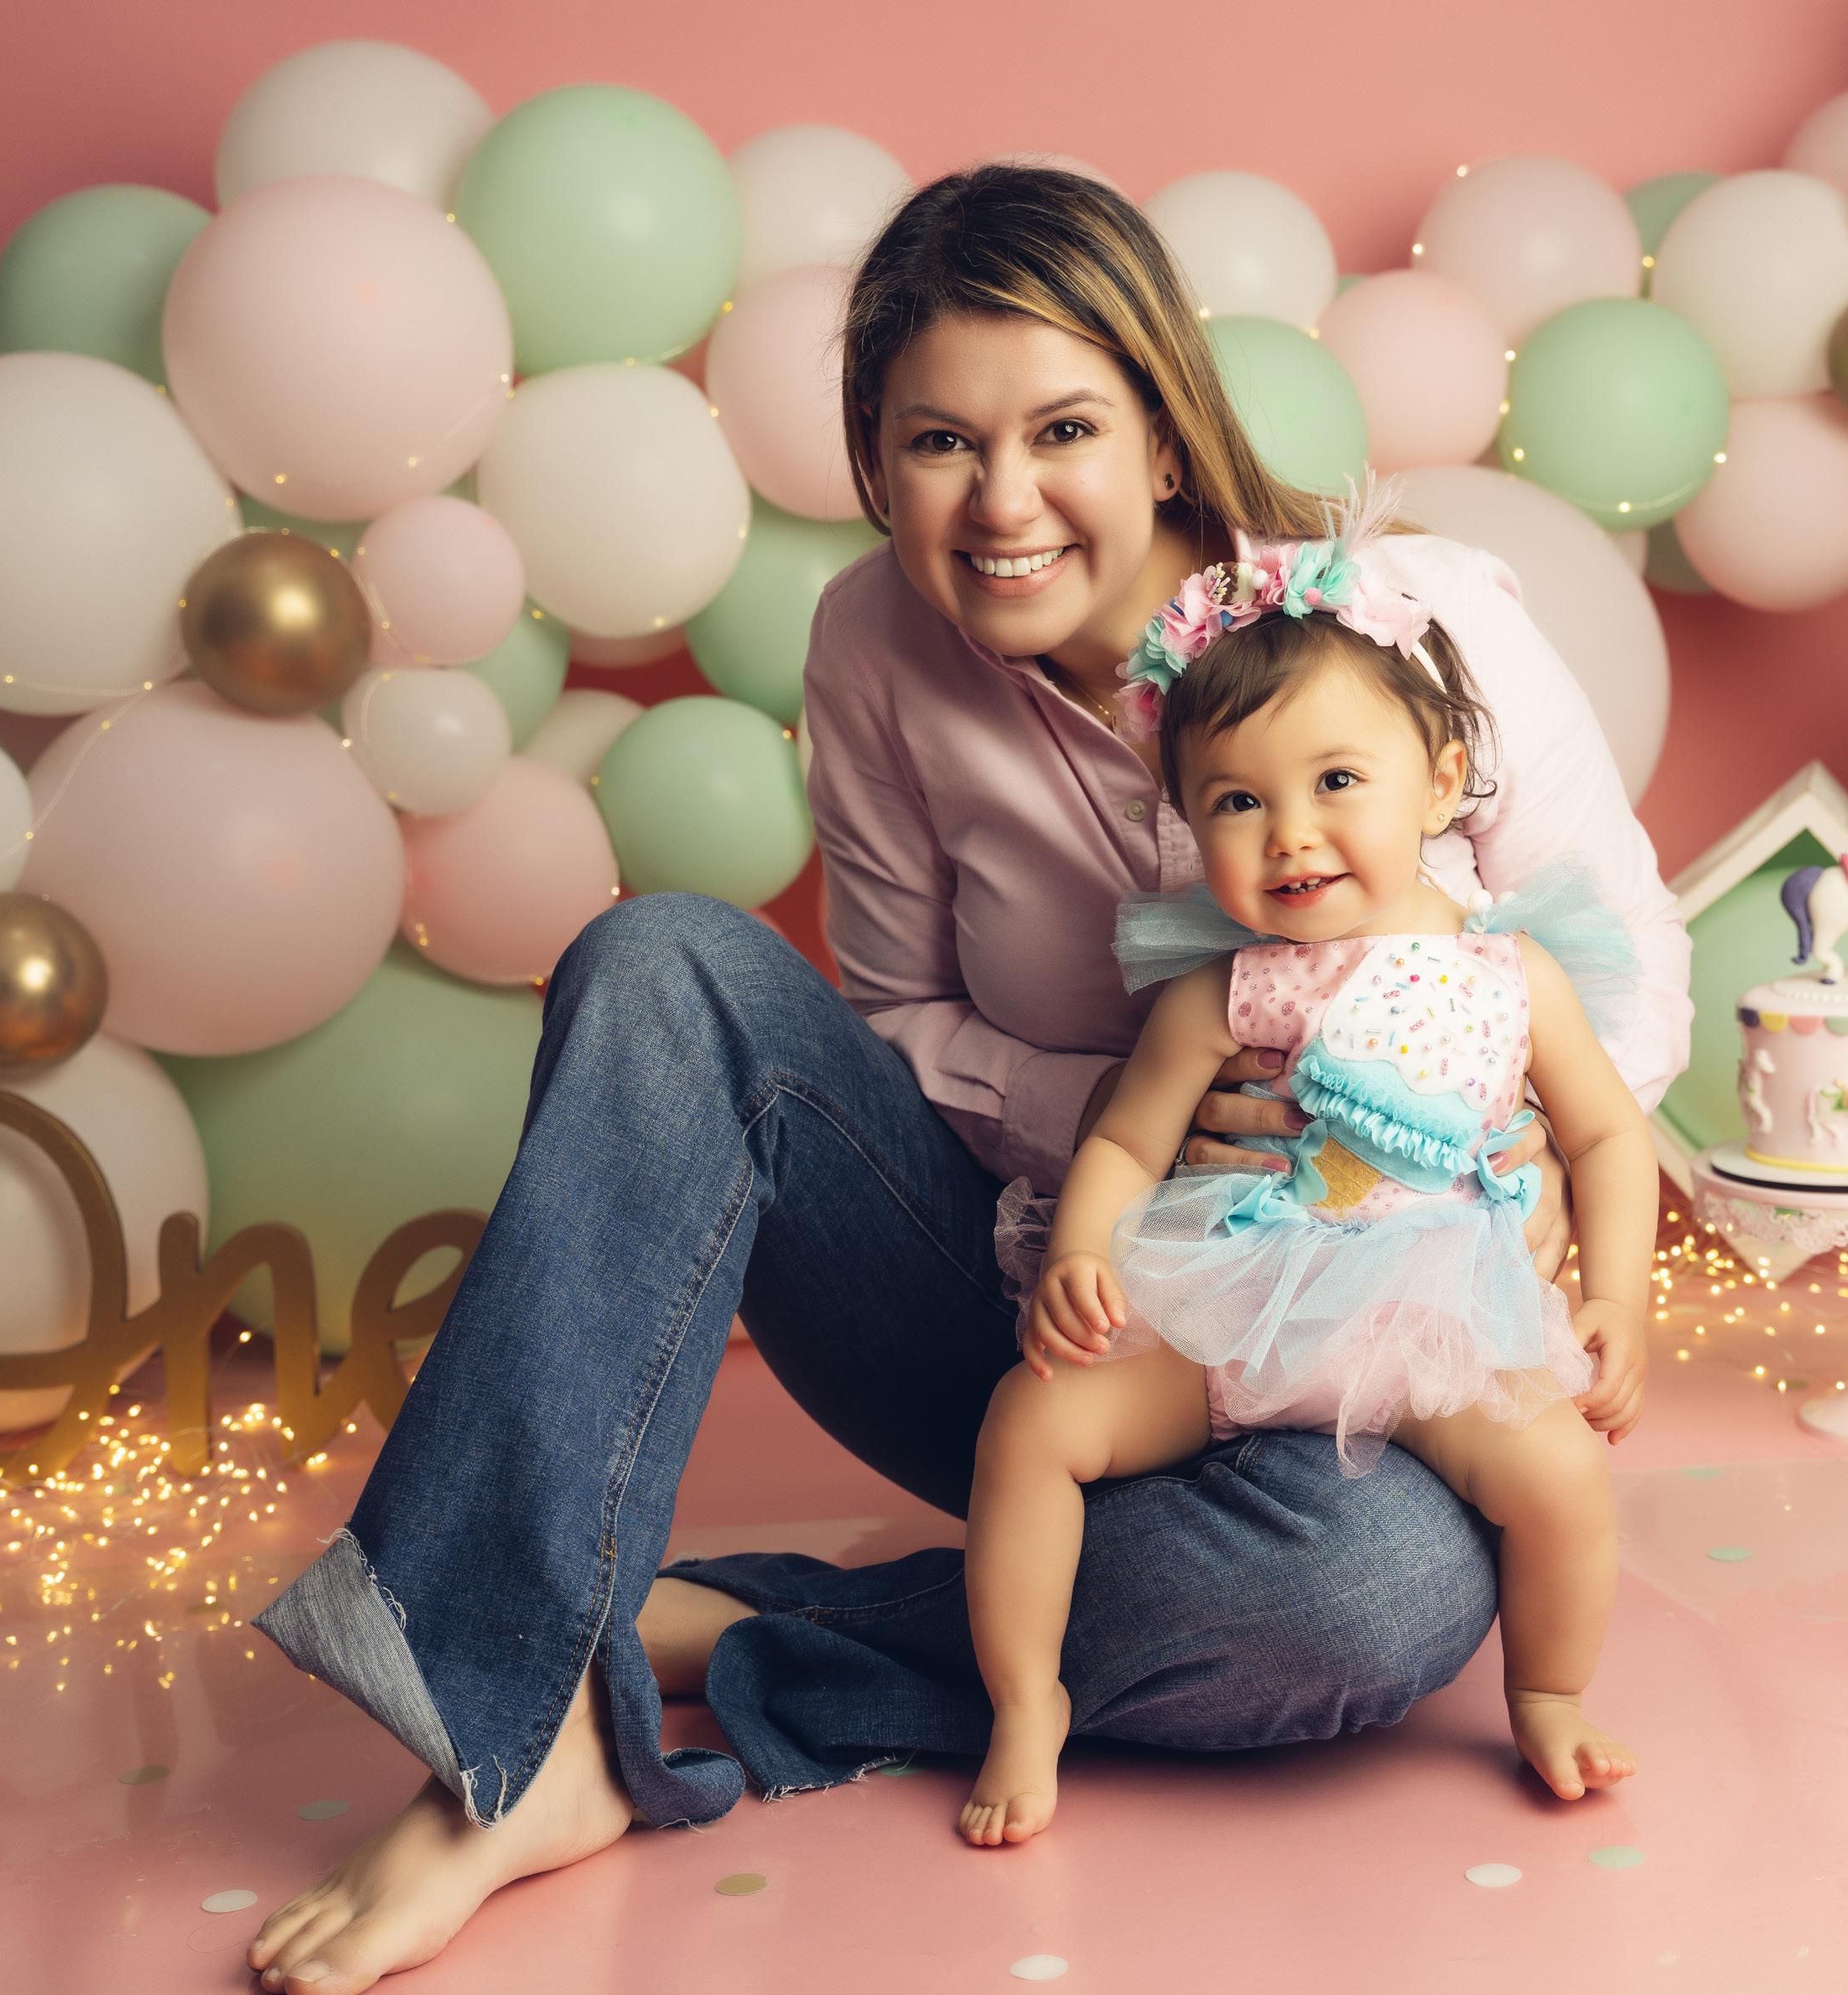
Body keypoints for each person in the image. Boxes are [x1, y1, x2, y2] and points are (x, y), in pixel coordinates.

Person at [247, 165, 1692, 1995]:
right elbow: (896, 1020)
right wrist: (1123, 1115)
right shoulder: (873, 644)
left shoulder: (1413, 619)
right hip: (1058, 1318)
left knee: (1358, 1603)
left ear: (1163, 428)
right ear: (876, 462)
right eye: (938, 442)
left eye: (1062, 430)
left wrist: (1528, 1146)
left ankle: (724, 1642)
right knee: (665, 960)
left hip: (1378, 1337)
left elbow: (1630, 970)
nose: (1002, 504)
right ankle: (503, 1740)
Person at [957, 480, 1654, 1850]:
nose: (1288, 833)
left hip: (1435, 1323)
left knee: (1564, 1476)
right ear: (1187, 819)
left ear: (1437, 781)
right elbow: (1127, 1138)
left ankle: (1549, 1691)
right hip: (1237, 1303)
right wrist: (1084, 1252)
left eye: (1337, 782)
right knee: (1029, 1426)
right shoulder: (1224, 990)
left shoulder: (1509, 972)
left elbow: (1605, 1133)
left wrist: (1615, 1298)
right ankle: (1026, 1699)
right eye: (1236, 801)